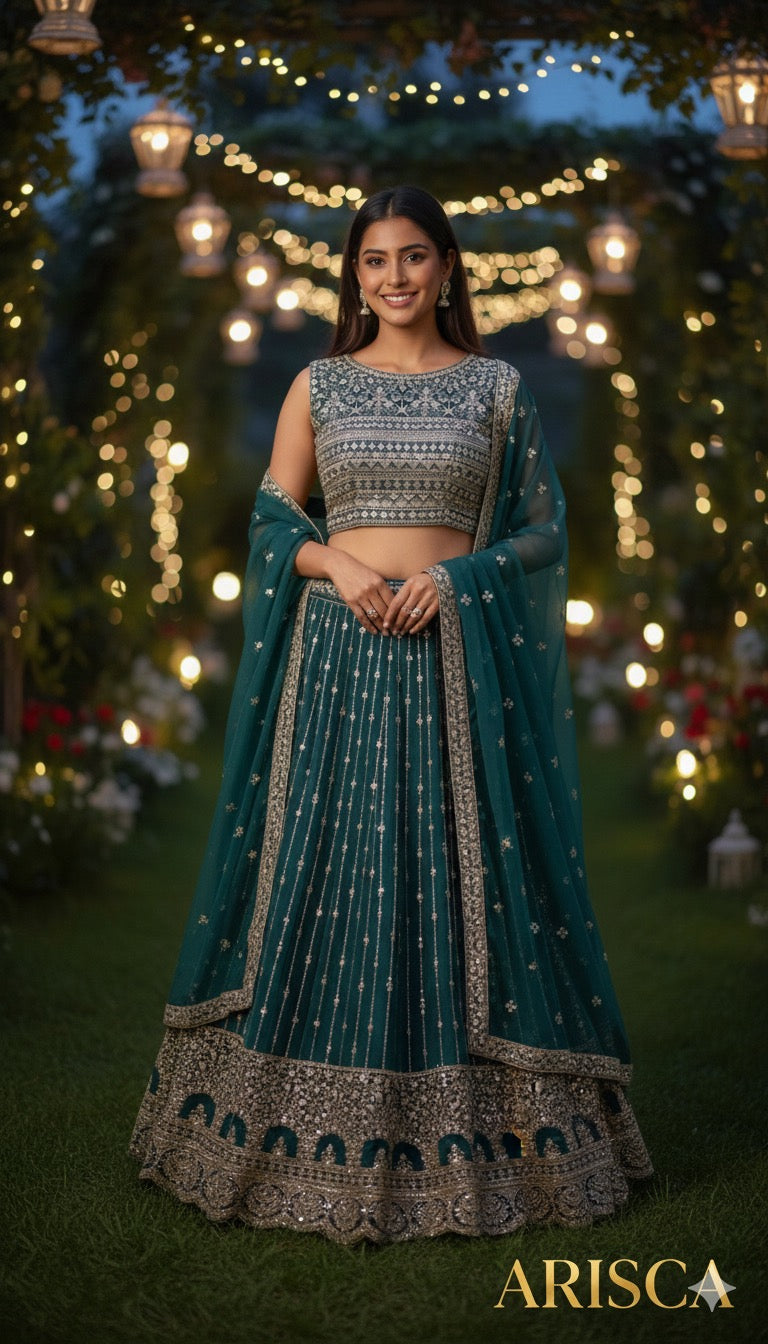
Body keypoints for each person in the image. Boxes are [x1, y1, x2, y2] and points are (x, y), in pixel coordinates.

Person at [129, 184, 653, 1245]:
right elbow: (276, 520)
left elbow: (543, 532)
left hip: (456, 663)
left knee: (458, 870)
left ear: (448, 268)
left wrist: (460, 584)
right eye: (375, 261)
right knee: (336, 866)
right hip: (340, 656)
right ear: (354, 276)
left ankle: (488, 1135)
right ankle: (285, 1130)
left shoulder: (497, 388)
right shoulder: (317, 384)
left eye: (415, 257)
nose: (397, 277)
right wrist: (341, 562)